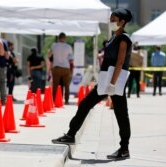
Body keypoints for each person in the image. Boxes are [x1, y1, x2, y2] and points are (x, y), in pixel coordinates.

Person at [52, 8, 133, 160]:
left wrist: (112, 84)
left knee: (121, 114)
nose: (111, 22)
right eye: (111, 19)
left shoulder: (123, 39)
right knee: (85, 104)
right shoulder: (113, 37)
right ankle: (71, 134)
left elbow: (120, 62)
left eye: (114, 19)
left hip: (114, 81)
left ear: (122, 22)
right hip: (106, 80)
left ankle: (124, 148)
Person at [48, 32, 74, 104]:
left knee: (55, 85)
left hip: (56, 67)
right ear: (65, 38)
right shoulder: (68, 47)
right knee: (67, 86)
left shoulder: (54, 45)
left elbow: (49, 55)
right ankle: (66, 100)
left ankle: (54, 100)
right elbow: (71, 59)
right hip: (66, 68)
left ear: (58, 38)